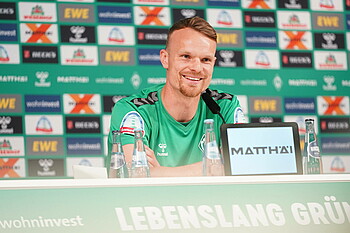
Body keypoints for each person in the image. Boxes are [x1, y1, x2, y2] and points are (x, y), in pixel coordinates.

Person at [108, 16, 245, 177]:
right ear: (165, 59)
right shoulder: (132, 110)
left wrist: (159, 173)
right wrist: (216, 165)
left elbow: (241, 164)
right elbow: (137, 174)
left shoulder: (226, 106)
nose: (196, 67)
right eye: (186, 56)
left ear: (213, 63)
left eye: (205, 59)